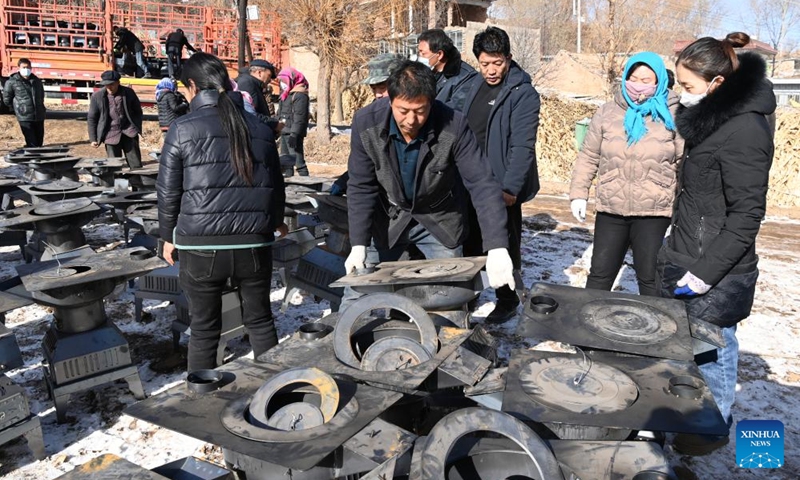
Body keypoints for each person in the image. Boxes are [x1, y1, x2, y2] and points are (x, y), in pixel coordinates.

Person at [657, 32, 775, 455]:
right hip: (690, 252)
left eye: (687, 86)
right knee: (694, 351)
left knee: (716, 354)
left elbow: (747, 216)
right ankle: (694, 421)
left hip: (718, 268)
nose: (680, 93)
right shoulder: (714, 118)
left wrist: (705, 275)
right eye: (678, 83)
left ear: (718, 84)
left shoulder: (745, 130)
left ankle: (717, 432)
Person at [157, 52, 287, 372]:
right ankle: (279, 398)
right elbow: (275, 181)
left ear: (192, 87)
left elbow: (168, 191)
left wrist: (167, 237)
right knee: (260, 321)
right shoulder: (258, 127)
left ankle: (200, 403)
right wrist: (278, 221)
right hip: (253, 242)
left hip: (200, 244)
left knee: (203, 329)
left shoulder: (182, 128)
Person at [345, 60, 516, 295]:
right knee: (357, 293)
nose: (411, 120)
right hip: (388, 219)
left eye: (420, 111)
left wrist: (497, 247)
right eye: (403, 111)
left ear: (432, 103)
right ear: (389, 99)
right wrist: (358, 244)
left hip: (440, 218)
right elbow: (361, 186)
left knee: (450, 297)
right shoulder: (366, 123)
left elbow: (482, 183)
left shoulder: (454, 125)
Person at [569, 52, 683, 298]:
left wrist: (684, 208)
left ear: (659, 81)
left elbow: (685, 163)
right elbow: (589, 155)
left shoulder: (674, 114)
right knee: (600, 274)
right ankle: (586, 331)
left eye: (646, 80)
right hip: (612, 208)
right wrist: (579, 193)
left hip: (654, 211)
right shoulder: (607, 113)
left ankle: (653, 333)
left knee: (650, 277)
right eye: (633, 78)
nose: (638, 86)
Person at [461, 26, 541, 323]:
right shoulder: (475, 85)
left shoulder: (523, 93)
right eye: (485, 64)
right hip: (471, 177)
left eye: (497, 63)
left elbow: (522, 145)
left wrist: (510, 187)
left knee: (503, 241)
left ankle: (507, 299)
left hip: (501, 181)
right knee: (469, 240)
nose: (491, 70)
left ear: (509, 58)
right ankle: (467, 297)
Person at [330, 53, 404, 196]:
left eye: (382, 88)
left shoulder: (418, 115)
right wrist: (346, 180)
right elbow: (367, 160)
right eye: (374, 88)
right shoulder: (370, 117)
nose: (378, 94)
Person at [87, 71, 143, 168]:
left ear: (118, 82)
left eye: (112, 84)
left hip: (129, 132)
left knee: (136, 165)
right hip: (110, 135)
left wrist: (136, 127)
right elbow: (92, 118)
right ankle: (118, 182)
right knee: (114, 167)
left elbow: (138, 111)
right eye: (106, 85)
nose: (109, 87)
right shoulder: (97, 96)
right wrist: (93, 138)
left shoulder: (128, 93)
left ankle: (137, 183)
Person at [416, 29, 477, 111]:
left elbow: (454, 112)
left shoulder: (466, 77)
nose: (420, 57)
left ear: (439, 54)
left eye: (423, 53)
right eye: (419, 53)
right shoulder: (426, 72)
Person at [2, 58, 46, 148]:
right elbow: (7, 99)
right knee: (32, 143)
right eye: (24, 67)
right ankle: (32, 159)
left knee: (39, 142)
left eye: (28, 67)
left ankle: (38, 157)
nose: (26, 69)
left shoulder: (36, 81)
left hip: (38, 115)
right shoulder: (12, 82)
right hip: (24, 116)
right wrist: (17, 109)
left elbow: (41, 95)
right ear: (19, 68)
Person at [277, 67, 310, 176]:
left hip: (293, 133)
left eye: (284, 81)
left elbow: (300, 117)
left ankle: (306, 182)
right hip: (284, 131)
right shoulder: (286, 93)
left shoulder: (300, 95)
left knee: (298, 161)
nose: (282, 84)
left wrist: (295, 134)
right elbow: (280, 112)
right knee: (286, 162)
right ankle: (288, 183)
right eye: (281, 81)